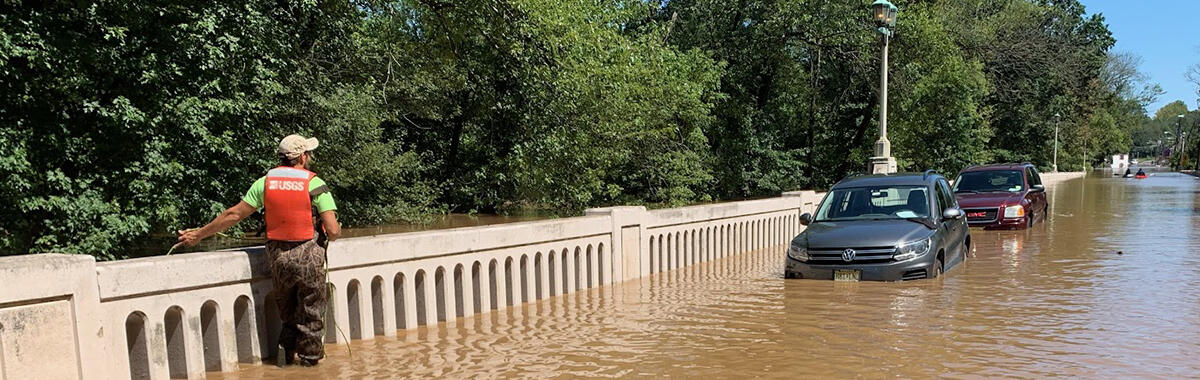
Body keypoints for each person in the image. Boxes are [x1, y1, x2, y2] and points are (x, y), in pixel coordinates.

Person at [176, 134, 341, 367]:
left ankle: (284, 362)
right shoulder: (314, 183)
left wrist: (198, 234)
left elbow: (234, 214)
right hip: (309, 258)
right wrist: (330, 230)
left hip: (278, 259)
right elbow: (333, 230)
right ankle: (309, 366)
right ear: (303, 157)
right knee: (311, 316)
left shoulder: (265, 183)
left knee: (288, 314)